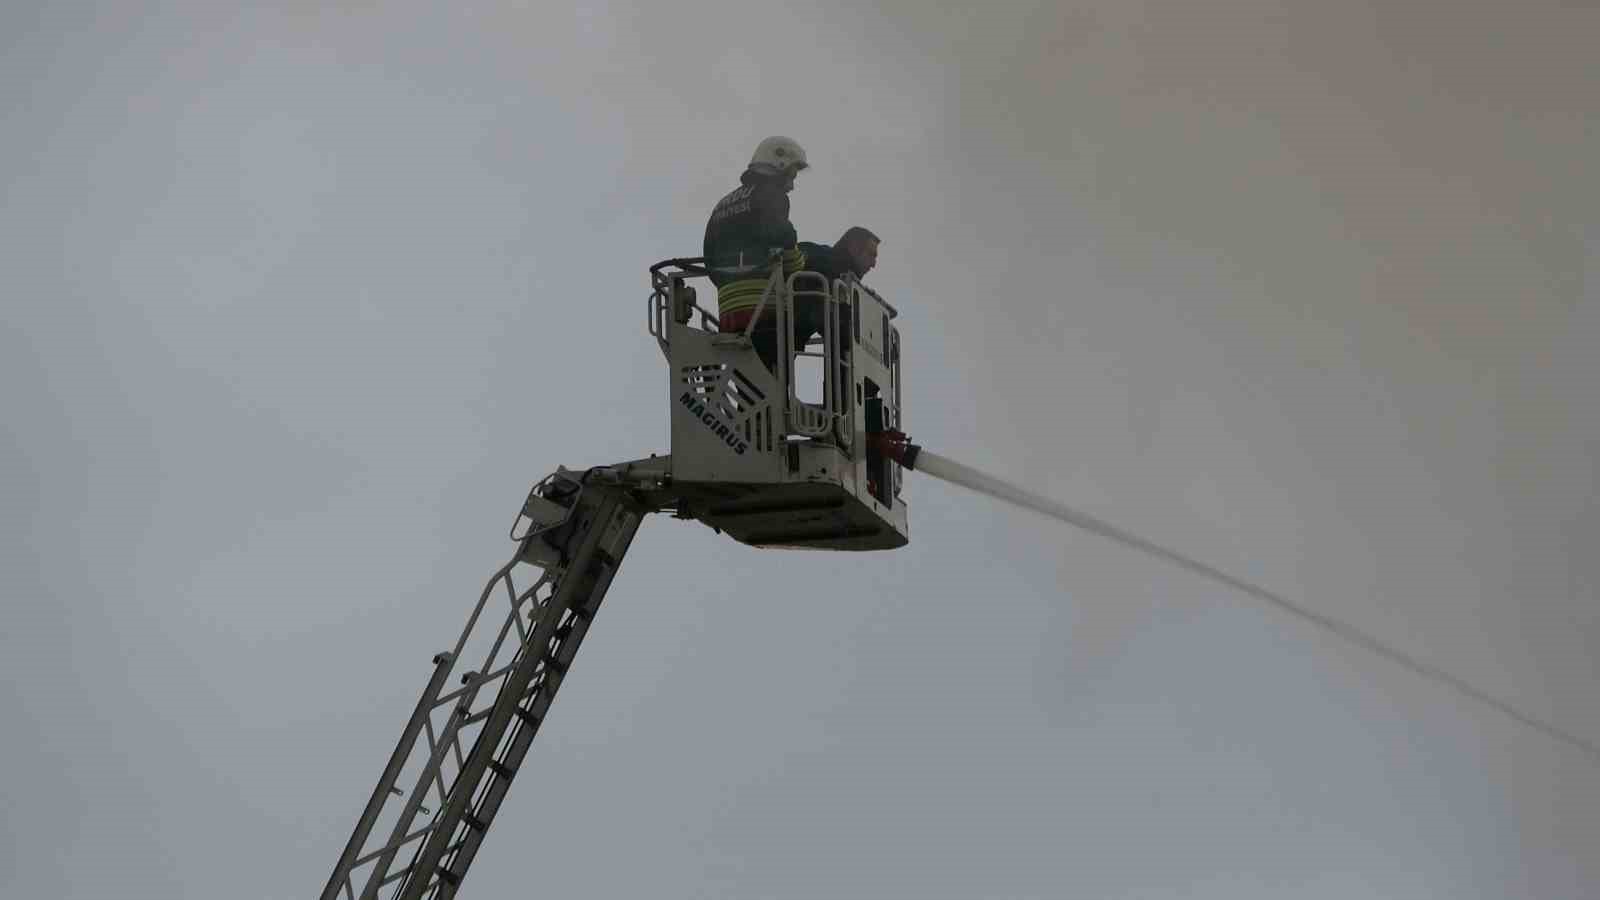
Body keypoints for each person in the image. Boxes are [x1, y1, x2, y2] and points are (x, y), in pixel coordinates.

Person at [704, 136, 810, 371]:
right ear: (778, 164)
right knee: (815, 310)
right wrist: (800, 261)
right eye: (791, 176)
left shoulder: (722, 204)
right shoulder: (772, 195)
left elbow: (708, 257)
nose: (791, 186)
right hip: (764, 310)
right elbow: (783, 240)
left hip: (728, 313)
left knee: (748, 393)